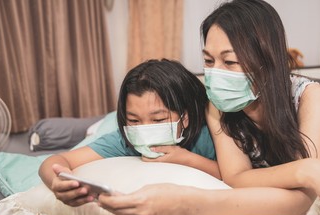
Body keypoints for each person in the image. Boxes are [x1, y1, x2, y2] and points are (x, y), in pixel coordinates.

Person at [97, 0, 320, 215]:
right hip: (288, 153)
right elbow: (236, 177)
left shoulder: (313, 97)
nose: (216, 74)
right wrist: (307, 168)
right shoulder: (217, 105)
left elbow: (299, 202)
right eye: (208, 60)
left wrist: (187, 202)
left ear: (266, 60)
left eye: (229, 61)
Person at [38, 59, 220, 206]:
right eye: (134, 120)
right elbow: (55, 161)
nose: (143, 129)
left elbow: (235, 177)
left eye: (158, 120)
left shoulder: (208, 135)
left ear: (185, 117)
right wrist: (56, 182)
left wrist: (187, 159)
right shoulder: (126, 140)